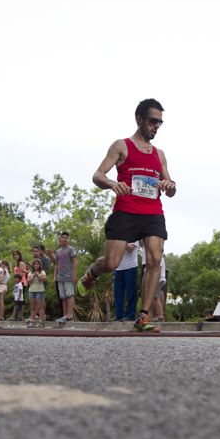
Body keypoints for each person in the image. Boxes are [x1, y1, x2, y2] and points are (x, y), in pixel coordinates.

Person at [76, 98, 176, 332]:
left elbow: (171, 188)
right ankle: (92, 272)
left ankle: (143, 317)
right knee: (111, 263)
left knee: (154, 259)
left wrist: (169, 186)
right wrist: (113, 183)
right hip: (126, 211)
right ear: (139, 119)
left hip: (152, 212)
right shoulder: (121, 146)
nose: (156, 126)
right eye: (153, 121)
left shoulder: (160, 154)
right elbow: (98, 175)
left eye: (160, 123)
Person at [54, 231, 77, 323]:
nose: (65, 239)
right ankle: (65, 315)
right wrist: (54, 276)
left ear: (69, 239)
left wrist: (74, 275)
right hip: (60, 277)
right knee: (63, 297)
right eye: (63, 237)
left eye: (67, 238)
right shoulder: (58, 251)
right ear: (60, 239)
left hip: (68, 276)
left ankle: (70, 315)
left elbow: (75, 262)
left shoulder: (71, 249)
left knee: (69, 295)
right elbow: (56, 264)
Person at [113, 241, 139, 321]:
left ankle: (130, 315)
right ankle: (119, 315)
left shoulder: (134, 236)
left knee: (131, 293)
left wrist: (120, 241)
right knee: (117, 294)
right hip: (118, 267)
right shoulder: (117, 236)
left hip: (130, 267)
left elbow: (130, 249)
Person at [27, 258, 47, 326]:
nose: (36, 265)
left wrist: (38, 275)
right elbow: (28, 282)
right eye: (35, 264)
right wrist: (33, 276)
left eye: (37, 264)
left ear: (40, 265)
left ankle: (41, 321)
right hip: (31, 291)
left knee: (40, 306)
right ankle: (32, 321)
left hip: (39, 291)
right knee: (32, 307)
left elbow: (44, 279)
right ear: (33, 265)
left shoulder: (42, 272)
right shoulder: (30, 272)